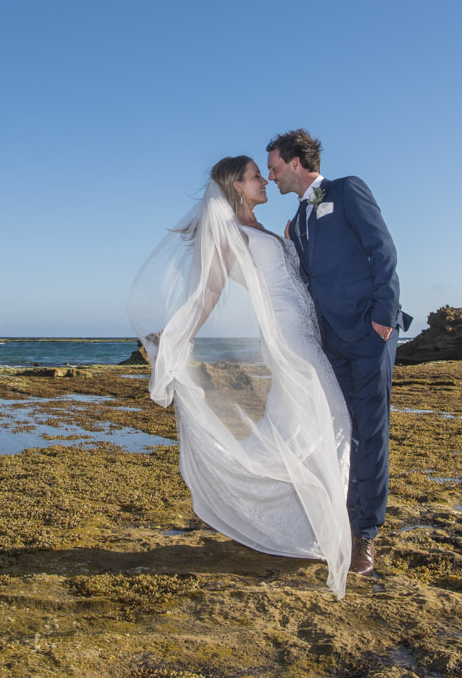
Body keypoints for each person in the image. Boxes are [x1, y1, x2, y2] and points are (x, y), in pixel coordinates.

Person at [128, 156, 352, 596]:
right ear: (235, 186)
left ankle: (303, 532)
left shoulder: (267, 228)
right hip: (289, 340)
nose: (264, 180)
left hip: (307, 333)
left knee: (295, 431)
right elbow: (209, 290)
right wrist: (178, 338)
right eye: (255, 175)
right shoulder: (227, 234)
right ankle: (322, 532)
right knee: (334, 423)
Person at [265, 129, 409, 576]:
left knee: (371, 432)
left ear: (295, 162)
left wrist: (383, 316)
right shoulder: (299, 221)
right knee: (343, 431)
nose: (270, 177)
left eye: (273, 168)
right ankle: (340, 521)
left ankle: (366, 534)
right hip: (331, 341)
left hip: (369, 334)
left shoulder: (347, 190)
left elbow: (381, 250)